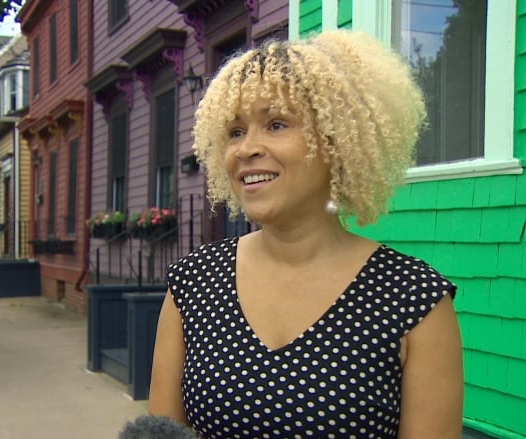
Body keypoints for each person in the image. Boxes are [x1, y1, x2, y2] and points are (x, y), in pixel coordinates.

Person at [148, 30, 463, 438]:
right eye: (235, 131)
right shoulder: (193, 284)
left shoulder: (414, 300)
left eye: (276, 124)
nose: (246, 149)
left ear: (335, 142)